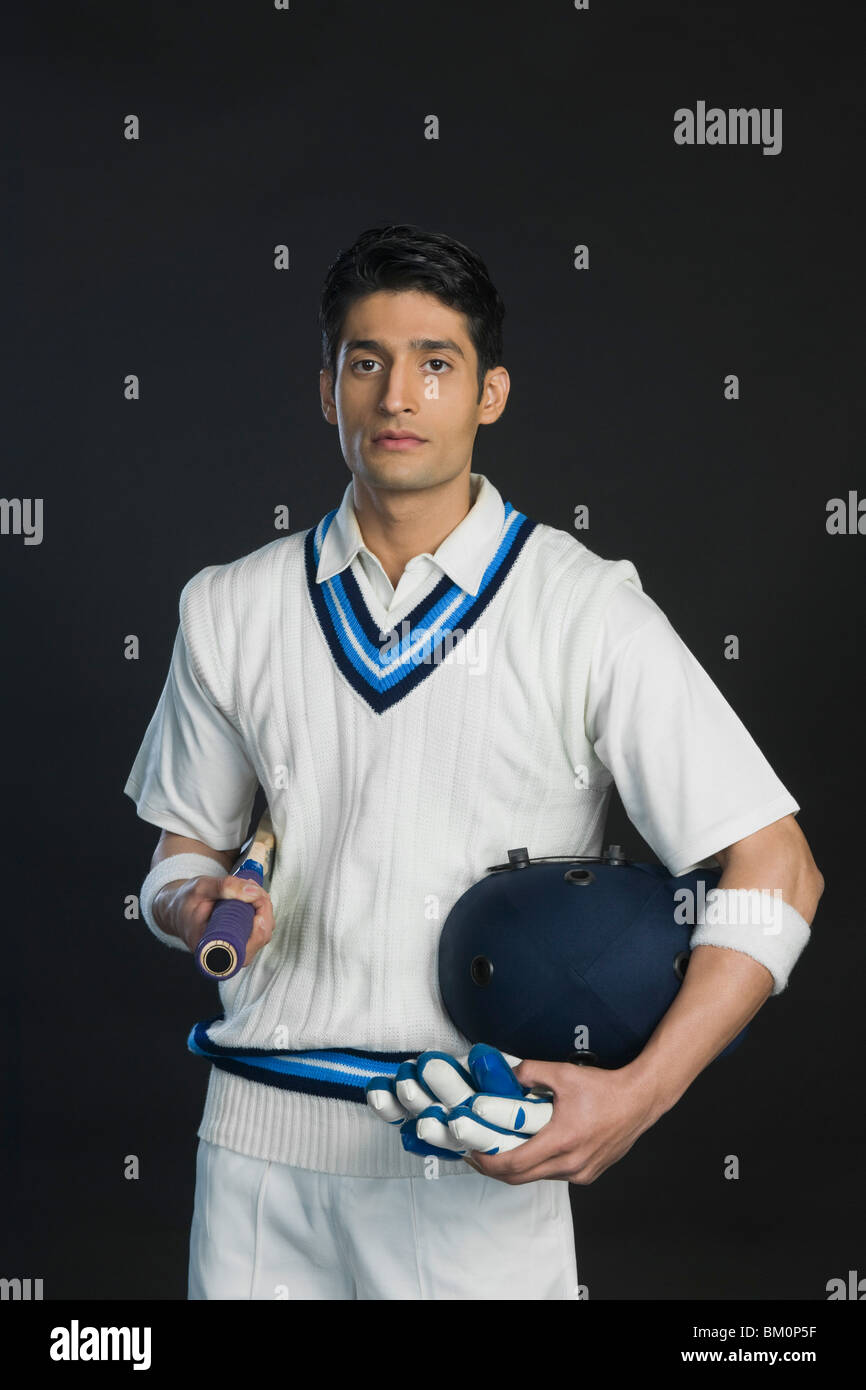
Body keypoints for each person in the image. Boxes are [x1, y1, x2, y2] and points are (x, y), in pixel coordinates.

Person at [123, 223, 824, 1301]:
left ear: (489, 394)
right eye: (367, 361)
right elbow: (179, 859)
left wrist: (639, 1093)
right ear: (327, 390)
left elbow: (777, 867)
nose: (397, 394)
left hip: (474, 1155)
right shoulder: (228, 606)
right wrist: (191, 901)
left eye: (434, 363)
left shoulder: (583, 606)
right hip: (255, 1154)